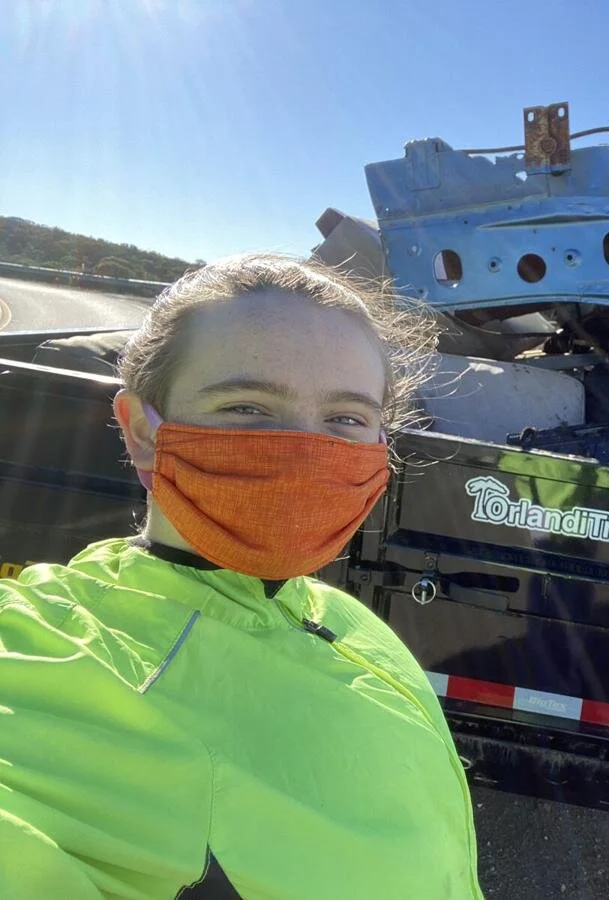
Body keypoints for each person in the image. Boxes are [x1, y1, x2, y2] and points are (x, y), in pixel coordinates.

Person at [0, 254, 483, 899]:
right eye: (246, 406)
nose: (304, 449)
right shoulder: (43, 662)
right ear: (142, 430)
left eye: (345, 418)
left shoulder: (353, 624)